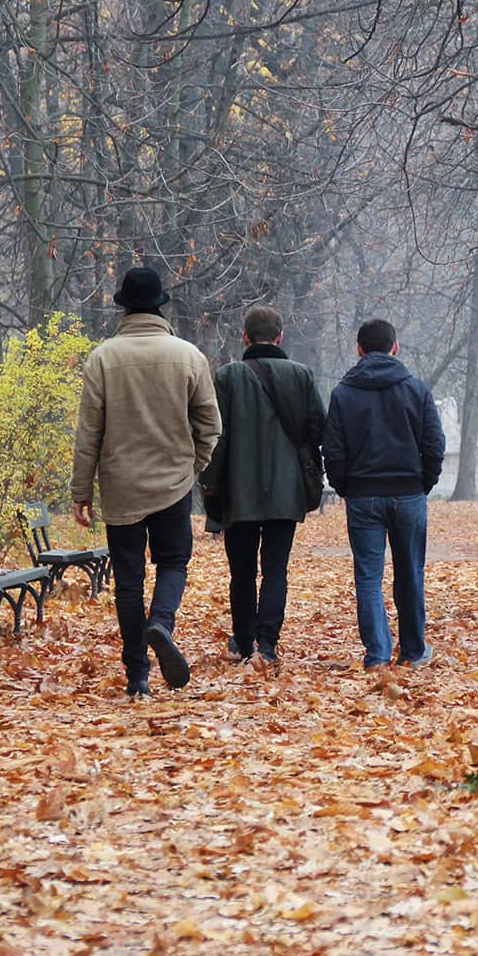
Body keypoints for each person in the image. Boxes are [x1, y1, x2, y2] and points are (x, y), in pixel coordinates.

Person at [72, 265, 220, 698]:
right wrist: (193, 465)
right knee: (173, 562)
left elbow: (89, 434)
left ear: (124, 309)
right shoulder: (189, 356)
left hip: (120, 486)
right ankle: (162, 622)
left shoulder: (102, 358)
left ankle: (137, 675)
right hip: (173, 483)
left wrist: (81, 491)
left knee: (128, 578)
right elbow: (210, 424)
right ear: (159, 307)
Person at [198, 305, 325, 664]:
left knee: (241, 571)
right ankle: (267, 643)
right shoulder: (302, 376)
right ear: (280, 336)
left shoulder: (227, 377)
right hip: (287, 491)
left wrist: (210, 485)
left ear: (245, 337)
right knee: (275, 568)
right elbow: (317, 427)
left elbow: (215, 438)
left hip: (239, 491)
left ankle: (243, 639)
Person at [322, 317, 445, 668]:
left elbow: (333, 449)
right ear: (395, 347)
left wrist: (346, 486)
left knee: (368, 577)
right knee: (410, 573)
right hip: (408, 494)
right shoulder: (416, 390)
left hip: (363, 496)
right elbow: (434, 445)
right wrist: (422, 484)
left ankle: (377, 653)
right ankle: (413, 650)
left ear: (359, 350)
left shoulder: (344, 393)